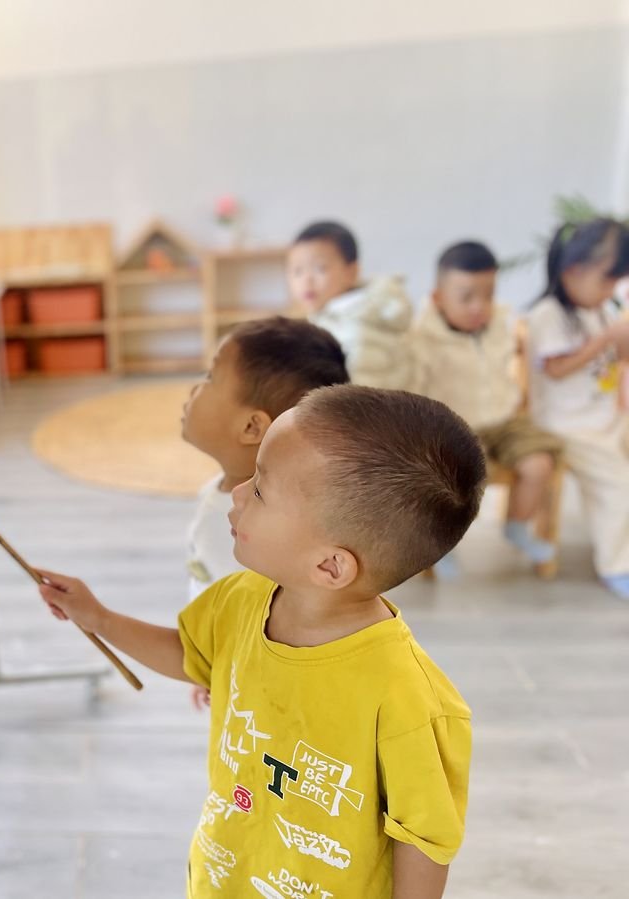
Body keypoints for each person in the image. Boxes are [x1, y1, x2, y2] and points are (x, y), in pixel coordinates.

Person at [39, 385, 484, 899]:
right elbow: (193, 656)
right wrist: (98, 618)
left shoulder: (409, 698)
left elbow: (424, 840)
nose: (236, 492)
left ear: (330, 565)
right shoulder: (241, 598)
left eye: (260, 490)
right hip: (226, 877)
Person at [182, 316, 348, 708]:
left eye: (210, 377)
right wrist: (208, 657)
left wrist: (214, 662)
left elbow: (261, 629)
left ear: (252, 427)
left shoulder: (248, 528)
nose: (194, 388)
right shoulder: (221, 492)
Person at [411, 240, 563, 575]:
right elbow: (413, 388)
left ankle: (517, 526)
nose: (479, 307)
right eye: (466, 297)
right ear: (438, 298)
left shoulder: (501, 324)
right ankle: (441, 543)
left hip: (504, 420)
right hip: (455, 427)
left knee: (539, 463)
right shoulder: (422, 338)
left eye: (488, 295)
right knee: (461, 479)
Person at [525, 218, 629, 599]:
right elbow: (556, 369)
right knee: (618, 484)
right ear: (573, 272)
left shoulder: (599, 310)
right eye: (607, 281)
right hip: (567, 426)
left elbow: (618, 357)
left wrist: (619, 338)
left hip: (605, 418)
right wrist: (604, 339)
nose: (611, 291)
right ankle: (617, 566)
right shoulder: (547, 315)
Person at [287, 221, 415, 390]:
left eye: (320, 268)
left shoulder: (358, 328)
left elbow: (359, 395)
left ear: (351, 272)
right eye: (297, 271)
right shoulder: (330, 318)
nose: (306, 280)